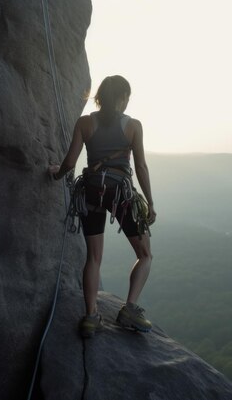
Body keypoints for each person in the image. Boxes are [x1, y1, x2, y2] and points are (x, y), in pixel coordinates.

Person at [48, 75, 156, 336]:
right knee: (145, 254)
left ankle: (90, 316)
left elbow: (70, 162)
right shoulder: (133, 126)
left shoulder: (85, 123)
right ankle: (129, 308)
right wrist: (150, 203)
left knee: (93, 257)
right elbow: (140, 166)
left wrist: (55, 174)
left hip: (91, 192)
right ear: (122, 97)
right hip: (119, 192)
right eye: (127, 97)